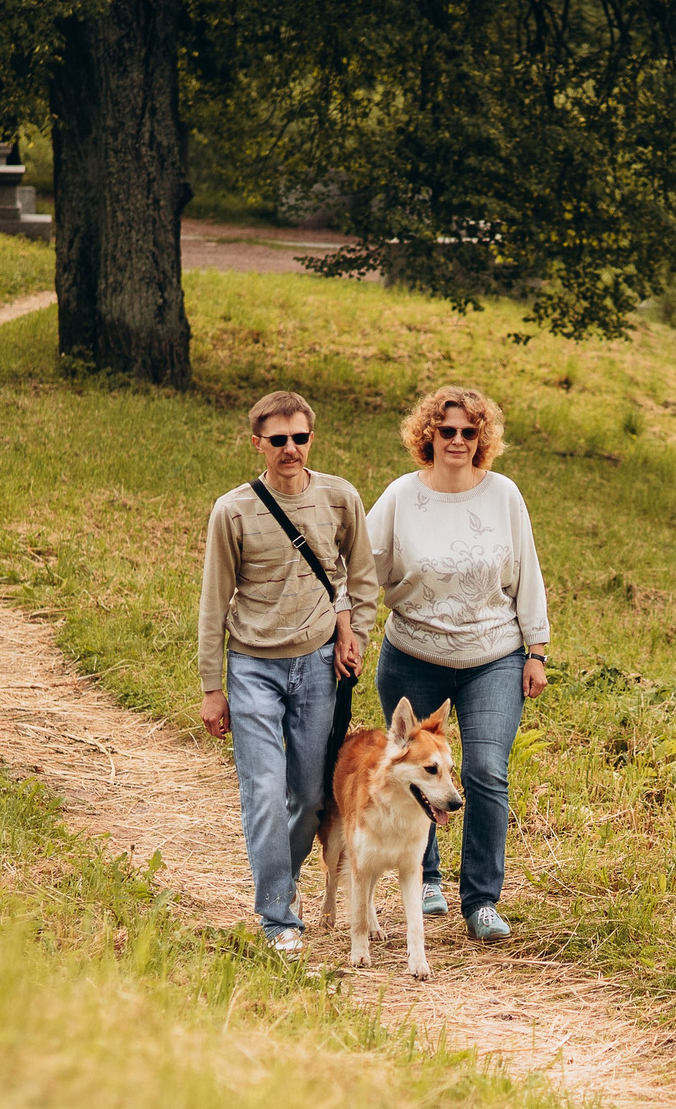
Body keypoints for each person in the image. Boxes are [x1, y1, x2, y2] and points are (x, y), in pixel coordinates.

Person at [368, 384, 549, 943]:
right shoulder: (400, 496)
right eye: (447, 430)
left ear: (482, 438)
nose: (458, 440)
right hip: (413, 656)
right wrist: (344, 630)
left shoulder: (504, 495)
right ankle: (425, 876)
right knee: (420, 770)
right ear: (428, 435)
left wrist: (536, 650)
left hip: (492, 655)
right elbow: (362, 570)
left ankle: (482, 900)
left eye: (469, 432)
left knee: (485, 770)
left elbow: (528, 575)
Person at [198, 390, 377, 952]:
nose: (290, 449)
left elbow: (360, 578)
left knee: (309, 794)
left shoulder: (340, 497)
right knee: (264, 789)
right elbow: (213, 602)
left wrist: (355, 637)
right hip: (253, 667)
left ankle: (282, 876)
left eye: (299, 438)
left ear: (311, 439)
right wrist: (211, 688)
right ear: (258, 444)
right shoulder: (233, 511)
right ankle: (278, 915)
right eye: (278, 440)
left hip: (319, 665)